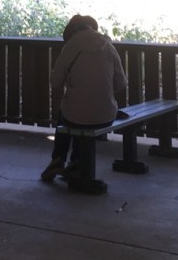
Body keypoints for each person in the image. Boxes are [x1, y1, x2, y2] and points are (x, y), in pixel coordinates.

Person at [40, 14, 127, 182]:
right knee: (80, 112)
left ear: (72, 31)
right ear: (92, 27)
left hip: (75, 116)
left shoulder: (71, 46)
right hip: (106, 116)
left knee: (69, 114)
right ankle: (76, 162)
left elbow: (55, 82)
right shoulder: (108, 46)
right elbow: (121, 83)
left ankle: (58, 159)